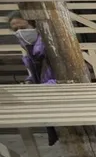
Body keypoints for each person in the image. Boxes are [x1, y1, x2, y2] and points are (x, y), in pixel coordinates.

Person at [8, 11, 58, 146]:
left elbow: (60, 72)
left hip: (57, 94)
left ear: (33, 25)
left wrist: (47, 86)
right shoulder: (30, 48)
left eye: (23, 28)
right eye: (16, 29)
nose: (19, 32)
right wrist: (30, 81)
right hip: (48, 95)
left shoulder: (49, 45)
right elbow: (36, 72)